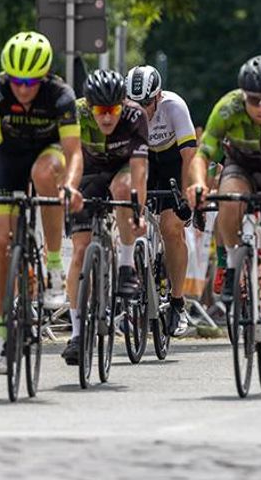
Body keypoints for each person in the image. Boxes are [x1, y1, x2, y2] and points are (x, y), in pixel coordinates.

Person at [0, 31, 84, 375]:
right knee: (0, 241)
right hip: (9, 157)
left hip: (49, 153)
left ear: (43, 77)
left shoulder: (60, 94)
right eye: (17, 80)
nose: (23, 88)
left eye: (30, 81)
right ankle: (0, 334)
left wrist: (70, 185)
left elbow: (73, 151)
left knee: (45, 174)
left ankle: (54, 266)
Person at [186, 56, 261, 374]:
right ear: (243, 95)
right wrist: (198, 183)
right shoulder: (227, 107)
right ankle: (230, 260)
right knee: (229, 201)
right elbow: (203, 153)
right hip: (242, 168)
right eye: (255, 101)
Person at [61, 69, 149, 365]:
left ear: (123, 105)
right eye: (101, 110)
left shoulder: (136, 117)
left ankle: (125, 265)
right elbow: (68, 158)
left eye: (114, 110)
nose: (108, 117)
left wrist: (138, 210)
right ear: (90, 107)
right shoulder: (75, 114)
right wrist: (68, 191)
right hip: (86, 170)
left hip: (121, 169)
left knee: (123, 188)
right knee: (79, 252)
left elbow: (139, 171)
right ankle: (75, 334)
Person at [126, 64, 196, 336]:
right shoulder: (126, 112)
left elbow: (189, 156)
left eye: (146, 102)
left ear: (158, 95)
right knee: (128, 222)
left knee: (170, 228)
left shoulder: (174, 107)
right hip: (143, 161)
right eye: (135, 103)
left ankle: (177, 302)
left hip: (171, 163)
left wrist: (187, 197)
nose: (142, 109)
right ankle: (131, 296)